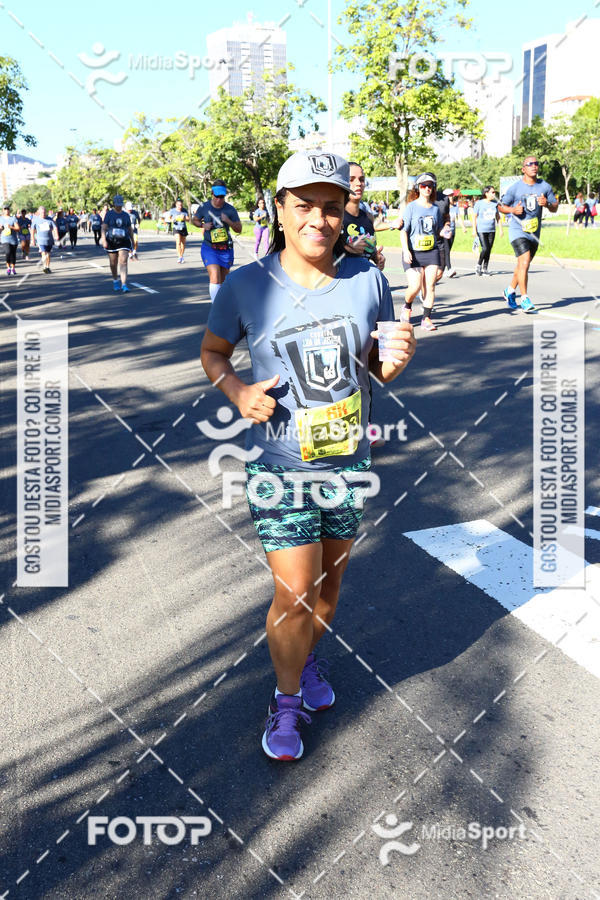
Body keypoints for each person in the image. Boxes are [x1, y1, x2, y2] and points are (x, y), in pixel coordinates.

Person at [200, 151, 416, 761]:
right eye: (303, 206)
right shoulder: (247, 284)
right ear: (281, 209)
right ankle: (286, 698)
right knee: (294, 595)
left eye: (330, 205)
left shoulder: (367, 278)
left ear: (345, 208)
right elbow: (213, 351)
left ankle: (305, 657)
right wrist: (238, 391)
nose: (318, 219)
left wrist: (396, 362)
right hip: (280, 468)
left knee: (326, 593)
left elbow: (378, 365)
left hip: (349, 465)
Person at [498, 156, 558, 312]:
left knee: (522, 265)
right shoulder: (515, 188)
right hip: (518, 231)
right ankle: (524, 298)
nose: (534, 166)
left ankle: (509, 291)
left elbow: (555, 206)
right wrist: (513, 210)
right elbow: (501, 207)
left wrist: (548, 204)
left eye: (536, 163)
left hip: (534, 234)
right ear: (523, 169)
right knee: (524, 262)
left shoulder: (544, 186)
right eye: (530, 164)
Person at [400, 172, 446, 331]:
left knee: (430, 286)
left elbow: (438, 230)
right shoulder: (411, 207)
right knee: (415, 286)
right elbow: (403, 231)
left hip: (431, 251)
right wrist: (406, 250)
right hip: (414, 252)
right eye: (424, 186)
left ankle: (426, 318)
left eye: (430, 186)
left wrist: (445, 231)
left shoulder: (435, 209)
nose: (427, 188)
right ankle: (407, 306)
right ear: (418, 188)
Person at [192, 179, 242, 302]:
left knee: (223, 282)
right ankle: (216, 307)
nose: (219, 199)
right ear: (212, 194)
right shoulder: (204, 207)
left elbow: (239, 229)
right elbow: (195, 220)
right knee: (215, 277)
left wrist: (228, 221)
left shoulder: (230, 209)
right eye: (216, 196)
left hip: (226, 249)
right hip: (210, 248)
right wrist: (203, 225)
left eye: (222, 197)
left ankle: (222, 304)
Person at [101, 195, 134, 292]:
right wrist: (104, 240)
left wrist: (133, 241)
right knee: (113, 263)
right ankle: (115, 280)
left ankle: (124, 284)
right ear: (114, 204)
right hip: (112, 241)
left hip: (124, 240)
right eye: (117, 205)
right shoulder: (109, 214)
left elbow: (129, 229)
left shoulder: (126, 215)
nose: (119, 206)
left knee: (123, 261)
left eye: (120, 205)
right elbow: (104, 227)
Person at [472, 186, 503, 275]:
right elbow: (474, 216)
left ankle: (485, 268)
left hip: (491, 230)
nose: (494, 194)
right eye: (492, 192)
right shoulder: (479, 203)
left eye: (494, 192)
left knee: (489, 249)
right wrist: (474, 230)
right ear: (486, 193)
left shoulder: (495, 204)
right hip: (481, 229)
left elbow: (498, 217)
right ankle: (478, 265)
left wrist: (501, 229)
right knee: (485, 248)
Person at [31, 206, 59, 274]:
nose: (43, 214)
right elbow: (32, 230)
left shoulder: (50, 219)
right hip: (40, 240)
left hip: (49, 240)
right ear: (39, 212)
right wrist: (33, 240)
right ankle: (44, 267)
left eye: (44, 212)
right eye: (42, 212)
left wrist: (56, 235)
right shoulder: (36, 220)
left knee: (48, 254)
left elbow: (55, 228)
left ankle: (47, 266)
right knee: (43, 253)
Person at [166, 198, 190, 263]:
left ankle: (181, 256)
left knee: (183, 243)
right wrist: (173, 220)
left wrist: (184, 218)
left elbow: (188, 219)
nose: (180, 206)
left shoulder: (184, 210)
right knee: (178, 242)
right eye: (179, 205)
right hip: (176, 228)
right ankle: (179, 257)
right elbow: (169, 218)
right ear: (176, 205)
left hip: (183, 228)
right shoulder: (172, 211)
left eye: (181, 205)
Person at [0, 205, 20, 276]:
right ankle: (8, 267)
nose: (6, 210)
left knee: (13, 254)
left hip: (13, 239)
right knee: (8, 252)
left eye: (7, 209)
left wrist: (11, 227)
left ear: (9, 210)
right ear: (3, 210)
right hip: (4, 239)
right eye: (5, 209)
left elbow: (18, 228)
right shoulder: (1, 219)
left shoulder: (13, 219)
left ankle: (13, 268)